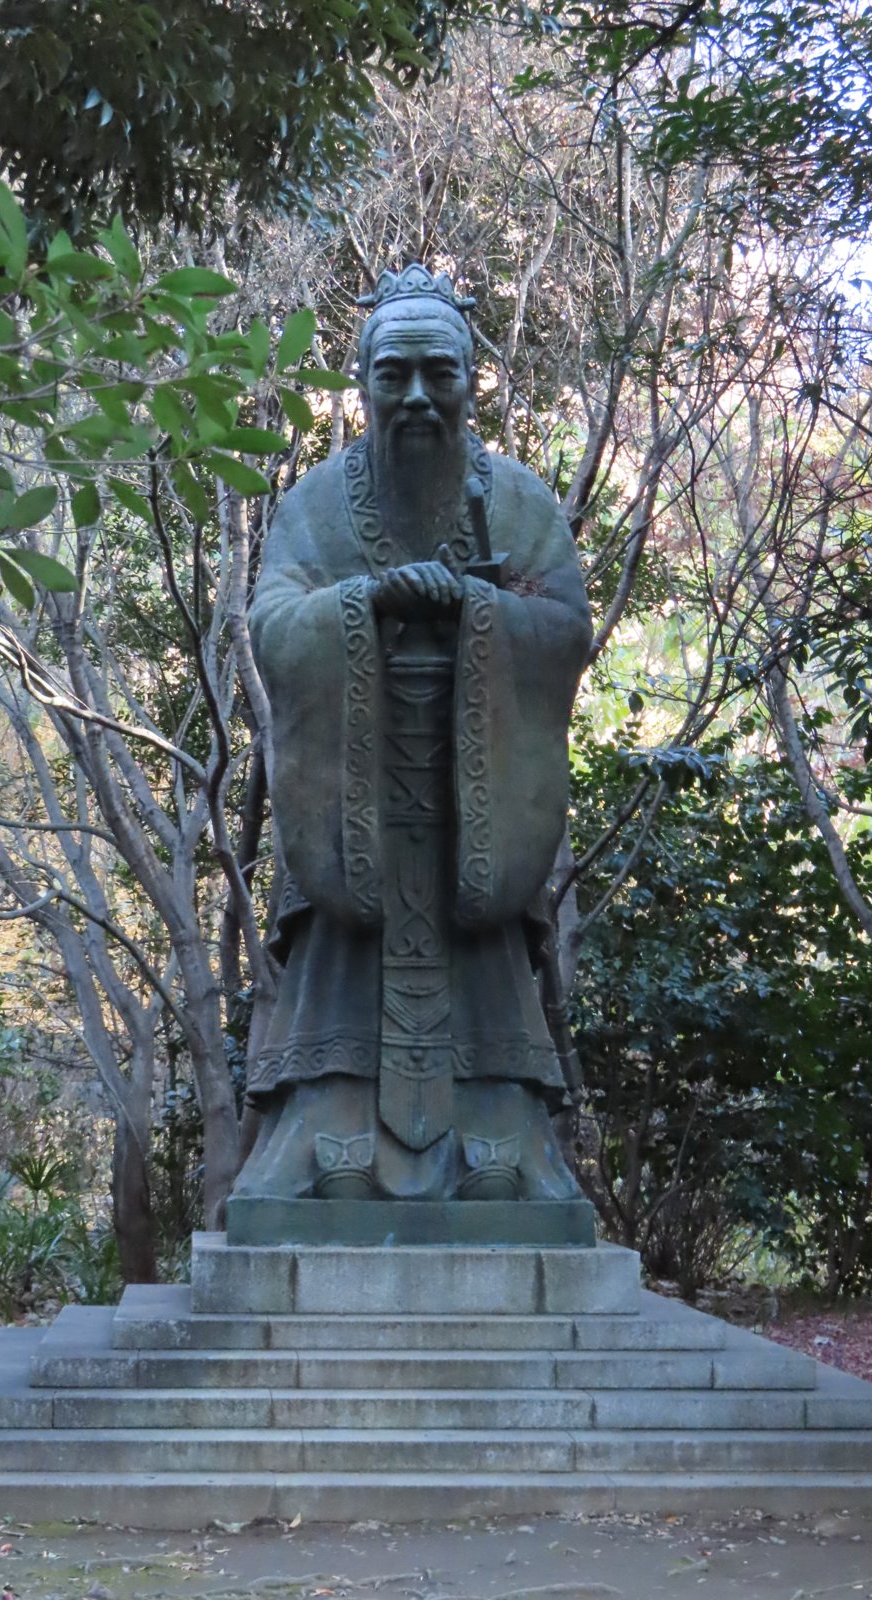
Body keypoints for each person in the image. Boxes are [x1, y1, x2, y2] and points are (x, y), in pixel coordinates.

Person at [233, 263, 591, 1204]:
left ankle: (500, 1149)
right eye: (394, 375)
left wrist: (477, 608)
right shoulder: (316, 503)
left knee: (485, 981)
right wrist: (370, 601)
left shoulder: (519, 500)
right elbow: (274, 623)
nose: (419, 396)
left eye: (441, 372)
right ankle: (327, 1144)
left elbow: (565, 627)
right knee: (342, 971)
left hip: (478, 800)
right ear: (362, 383)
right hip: (352, 798)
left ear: (473, 380)